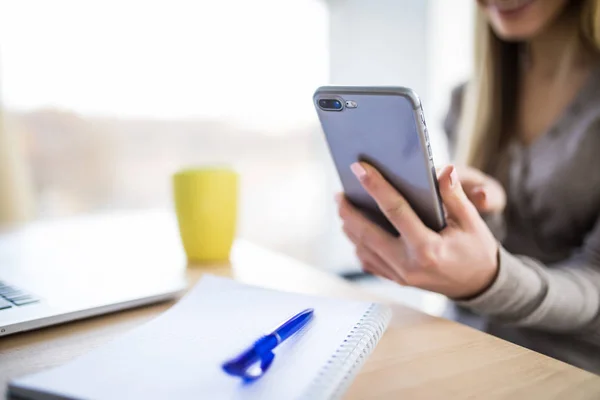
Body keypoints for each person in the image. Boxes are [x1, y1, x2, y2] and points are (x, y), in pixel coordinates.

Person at [335, 0, 600, 373]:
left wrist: (490, 279)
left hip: (564, 374)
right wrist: (473, 220)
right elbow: (497, 255)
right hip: (458, 353)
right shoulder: (468, 99)